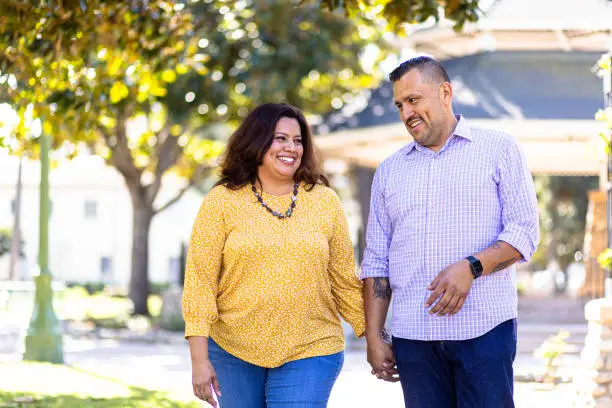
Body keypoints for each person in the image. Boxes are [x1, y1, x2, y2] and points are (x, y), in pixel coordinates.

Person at [361, 56, 539, 408]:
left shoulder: (499, 149)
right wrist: (374, 335)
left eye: (414, 100)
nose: (406, 113)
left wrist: (472, 267)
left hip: (485, 330)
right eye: (400, 105)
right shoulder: (389, 171)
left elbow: (525, 232)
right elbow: (377, 259)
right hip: (413, 336)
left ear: (445, 92)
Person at [182, 102, 365, 408]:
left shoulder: (324, 201)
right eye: (280, 138)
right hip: (233, 349)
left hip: (311, 346)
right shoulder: (222, 201)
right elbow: (200, 284)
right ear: (257, 140)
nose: (291, 148)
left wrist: (373, 335)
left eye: (297, 140)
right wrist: (199, 361)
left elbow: (344, 281)